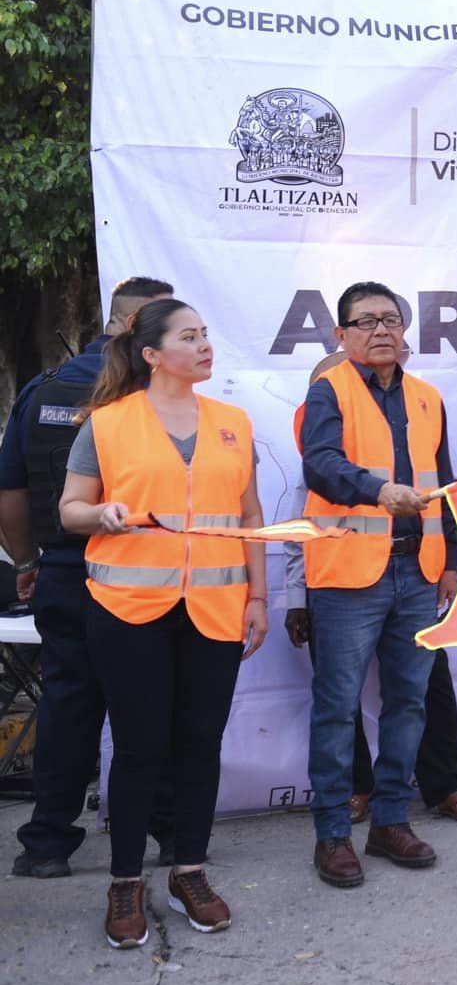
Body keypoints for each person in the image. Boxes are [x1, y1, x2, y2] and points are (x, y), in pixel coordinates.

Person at [57, 298, 268, 946]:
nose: (206, 345)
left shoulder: (233, 423)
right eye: (190, 337)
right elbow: (69, 511)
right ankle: (126, 882)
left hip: (215, 610)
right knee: (141, 748)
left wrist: (258, 598)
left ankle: (189, 870)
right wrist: (103, 514)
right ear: (151, 354)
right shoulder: (107, 424)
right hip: (129, 611)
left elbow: (251, 519)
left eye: (207, 334)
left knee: (201, 744)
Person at [4, 276, 178, 880]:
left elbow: (12, 493)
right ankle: (171, 835)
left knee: (67, 705)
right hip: (142, 574)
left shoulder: (43, 389)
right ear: (141, 330)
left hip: (65, 571)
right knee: (151, 704)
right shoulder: (157, 393)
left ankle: (48, 843)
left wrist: (28, 563)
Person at [296, 284, 457, 888]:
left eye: (390, 319)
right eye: (365, 322)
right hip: (348, 575)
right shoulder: (327, 391)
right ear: (341, 336)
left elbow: (445, 482)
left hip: (419, 571)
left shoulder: (427, 397)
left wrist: (453, 563)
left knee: (409, 703)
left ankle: (391, 822)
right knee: (337, 709)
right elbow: (320, 464)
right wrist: (375, 489)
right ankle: (333, 835)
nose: (381, 330)